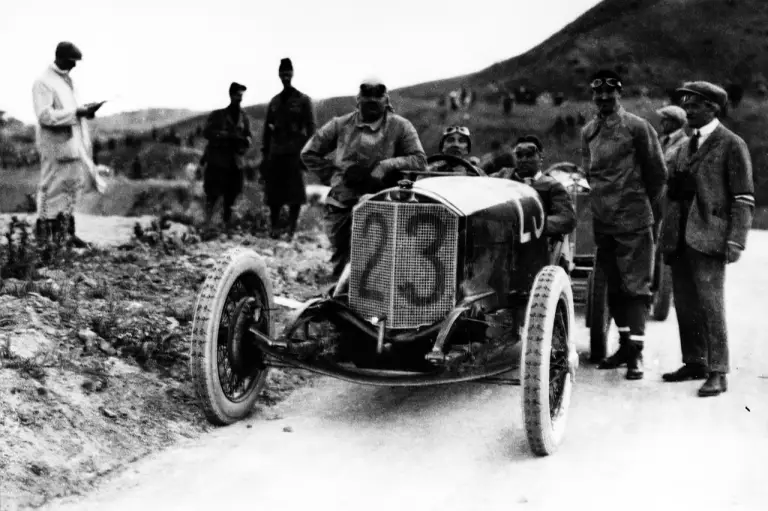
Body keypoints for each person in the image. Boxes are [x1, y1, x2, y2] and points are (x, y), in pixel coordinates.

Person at [659, 82, 754, 397]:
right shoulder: (687, 143)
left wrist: (736, 240)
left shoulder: (731, 143)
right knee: (685, 304)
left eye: (694, 105)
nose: (687, 109)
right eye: (686, 104)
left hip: (710, 236)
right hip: (680, 236)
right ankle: (695, 361)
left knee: (711, 305)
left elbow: (743, 198)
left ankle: (718, 371)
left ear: (713, 108)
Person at [581, 69, 667, 380]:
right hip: (603, 223)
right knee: (613, 288)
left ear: (619, 94)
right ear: (593, 95)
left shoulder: (637, 127)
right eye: (598, 93)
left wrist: (642, 207)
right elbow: (590, 174)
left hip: (633, 219)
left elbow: (657, 173)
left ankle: (636, 355)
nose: (604, 98)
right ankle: (624, 346)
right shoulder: (589, 131)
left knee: (636, 287)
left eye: (610, 92)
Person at [300, 77, 427, 280]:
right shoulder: (340, 125)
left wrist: (386, 166)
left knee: (381, 260)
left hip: (384, 201)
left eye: (377, 101)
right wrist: (335, 175)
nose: (372, 106)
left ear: (386, 101)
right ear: (358, 101)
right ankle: (338, 301)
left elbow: (419, 160)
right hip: (343, 202)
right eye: (367, 101)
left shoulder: (401, 127)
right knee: (342, 262)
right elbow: (309, 153)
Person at [32, 41, 105, 248]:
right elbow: (45, 116)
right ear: (60, 57)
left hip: (71, 144)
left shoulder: (66, 82)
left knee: (70, 188)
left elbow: (69, 111)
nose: (74, 66)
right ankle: (45, 238)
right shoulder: (43, 82)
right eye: (72, 62)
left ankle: (65, 234)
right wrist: (76, 113)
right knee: (51, 189)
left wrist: (84, 111)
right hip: (54, 146)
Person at [262, 58, 317, 240]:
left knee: (295, 193)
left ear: (292, 74)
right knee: (274, 194)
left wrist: (308, 154)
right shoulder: (275, 102)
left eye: (288, 73)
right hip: (276, 151)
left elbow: (311, 129)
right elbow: (266, 131)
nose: (285, 77)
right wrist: (265, 155)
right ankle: (275, 227)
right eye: (282, 74)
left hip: (295, 151)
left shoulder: (303, 100)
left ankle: (291, 230)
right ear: (279, 75)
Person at [491, 135, 576, 238]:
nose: (524, 159)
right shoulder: (503, 177)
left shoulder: (552, 186)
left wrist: (535, 224)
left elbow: (567, 219)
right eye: (519, 155)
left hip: (537, 244)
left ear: (540, 157)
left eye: (529, 155)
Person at [202, 82, 252, 228]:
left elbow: (248, 135)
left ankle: (226, 223)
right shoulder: (218, 115)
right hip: (219, 161)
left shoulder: (244, 117)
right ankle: (207, 223)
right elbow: (207, 132)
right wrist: (224, 135)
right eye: (237, 95)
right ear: (230, 95)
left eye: (241, 95)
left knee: (232, 194)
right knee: (213, 194)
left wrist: (245, 141)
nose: (240, 98)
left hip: (235, 161)